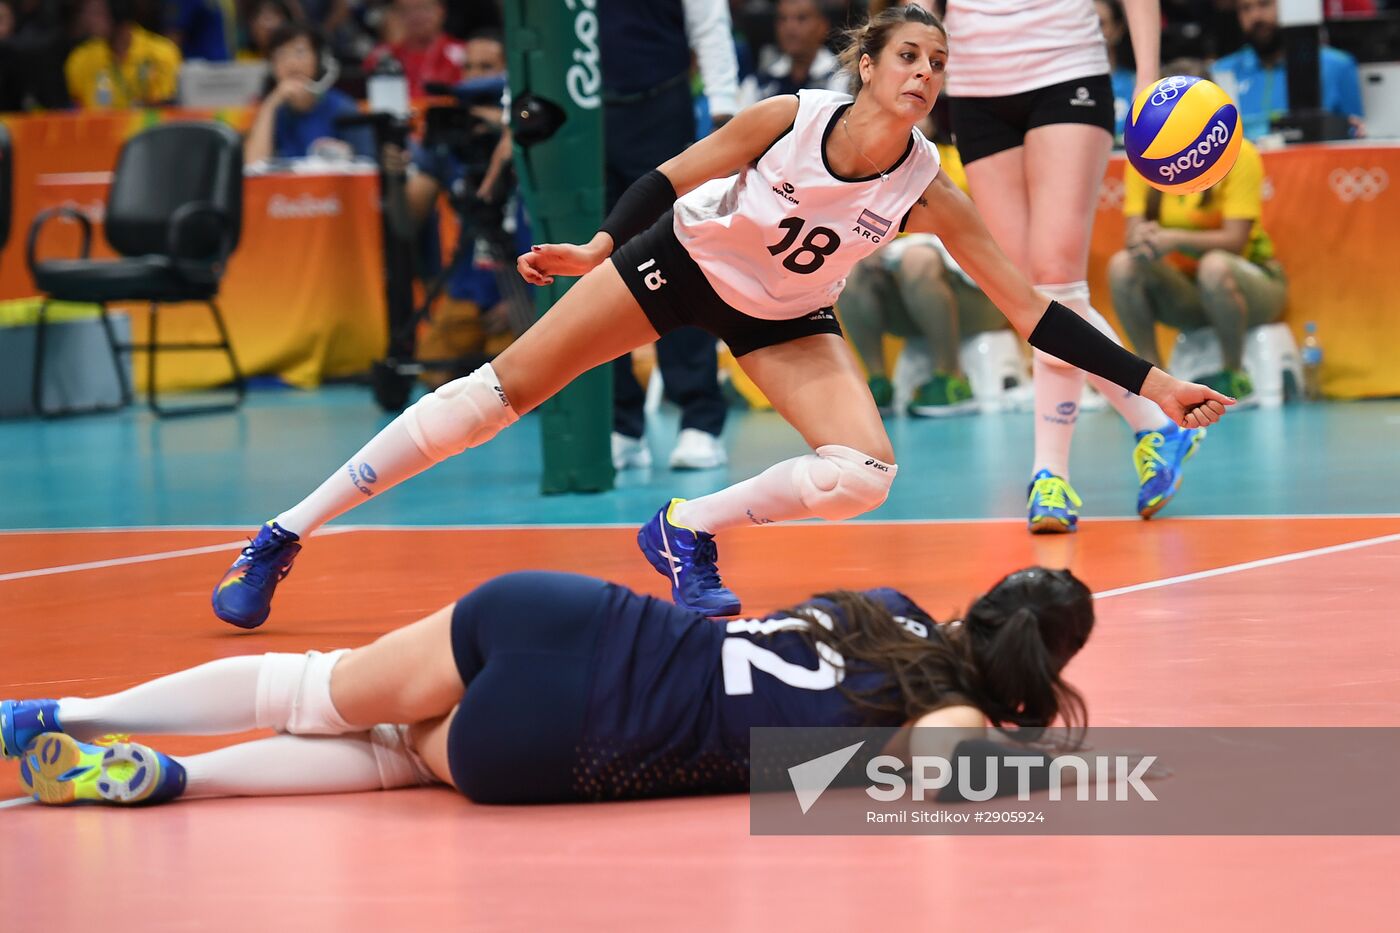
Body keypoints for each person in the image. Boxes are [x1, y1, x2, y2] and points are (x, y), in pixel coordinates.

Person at [210, 4, 1229, 630]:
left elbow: (1032, 313)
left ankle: (681, 532)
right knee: (501, 393)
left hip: (784, 316)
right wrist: (596, 251)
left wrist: (1154, 384)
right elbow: (669, 173)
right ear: (867, 64)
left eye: (936, 63)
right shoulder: (788, 118)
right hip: (681, 264)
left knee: (863, 474)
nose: (922, 74)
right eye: (906, 56)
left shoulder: (930, 184)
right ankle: (281, 534)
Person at [6, 566, 1093, 807]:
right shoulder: (936, 712)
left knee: (314, 681)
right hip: (578, 735)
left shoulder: (886, 603)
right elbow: (962, 772)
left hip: (572, 616)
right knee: (395, 756)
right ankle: (172, 782)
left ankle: (63, 714)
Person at [942, 0, 1207, 534]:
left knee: (1057, 283)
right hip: (972, 85)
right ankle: (1153, 422)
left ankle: (1049, 474)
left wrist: (1147, 77)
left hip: (1066, 71)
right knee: (1029, 299)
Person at [603, 0, 740, 472]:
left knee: (674, 260)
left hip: (659, 108)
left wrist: (725, 115)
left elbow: (709, 22)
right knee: (590, 270)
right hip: (578, 121)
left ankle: (699, 418)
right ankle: (619, 423)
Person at [1108, 70, 1283, 406]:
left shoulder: (1238, 152)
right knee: (1122, 265)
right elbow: (1133, 236)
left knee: (1215, 267)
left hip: (1252, 284)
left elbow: (1235, 241)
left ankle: (1235, 373)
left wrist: (1173, 239)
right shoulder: (1145, 155)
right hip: (1186, 292)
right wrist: (1142, 239)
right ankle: (1150, 379)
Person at [837, 112, 1006, 417]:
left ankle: (954, 380)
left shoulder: (964, 162)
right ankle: (878, 382)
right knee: (850, 268)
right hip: (906, 299)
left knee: (917, 260)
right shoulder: (873, 170)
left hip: (981, 296)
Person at [1210, 0, 1365, 141]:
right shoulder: (1223, 71)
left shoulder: (1336, 65)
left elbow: (1359, 133)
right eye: (1245, 8)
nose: (1255, 16)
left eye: (1264, 4)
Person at [243, 22, 374, 163]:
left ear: (319, 61)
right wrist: (271, 103)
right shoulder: (274, 112)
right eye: (281, 55)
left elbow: (368, 165)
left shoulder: (343, 108)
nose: (291, 63)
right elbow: (253, 165)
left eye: (300, 52)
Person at [65, 0, 182, 108]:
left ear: (119, 13)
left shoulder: (162, 53)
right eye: (87, 13)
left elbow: (166, 109)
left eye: (97, 13)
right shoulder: (80, 58)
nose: (88, 20)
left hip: (149, 130)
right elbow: (75, 111)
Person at [735, 0, 846, 109]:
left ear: (823, 25)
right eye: (783, 19)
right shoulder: (757, 85)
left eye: (801, 18)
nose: (790, 27)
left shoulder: (844, 80)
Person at [363, 0, 465, 98]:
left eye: (423, 7)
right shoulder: (381, 57)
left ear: (440, 10)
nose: (416, 16)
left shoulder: (464, 54)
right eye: (406, 10)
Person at [1094, 0, 1136, 145]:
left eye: (1100, 23)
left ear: (1118, 30)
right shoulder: (1065, 87)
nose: (1091, 30)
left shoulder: (1136, 83)